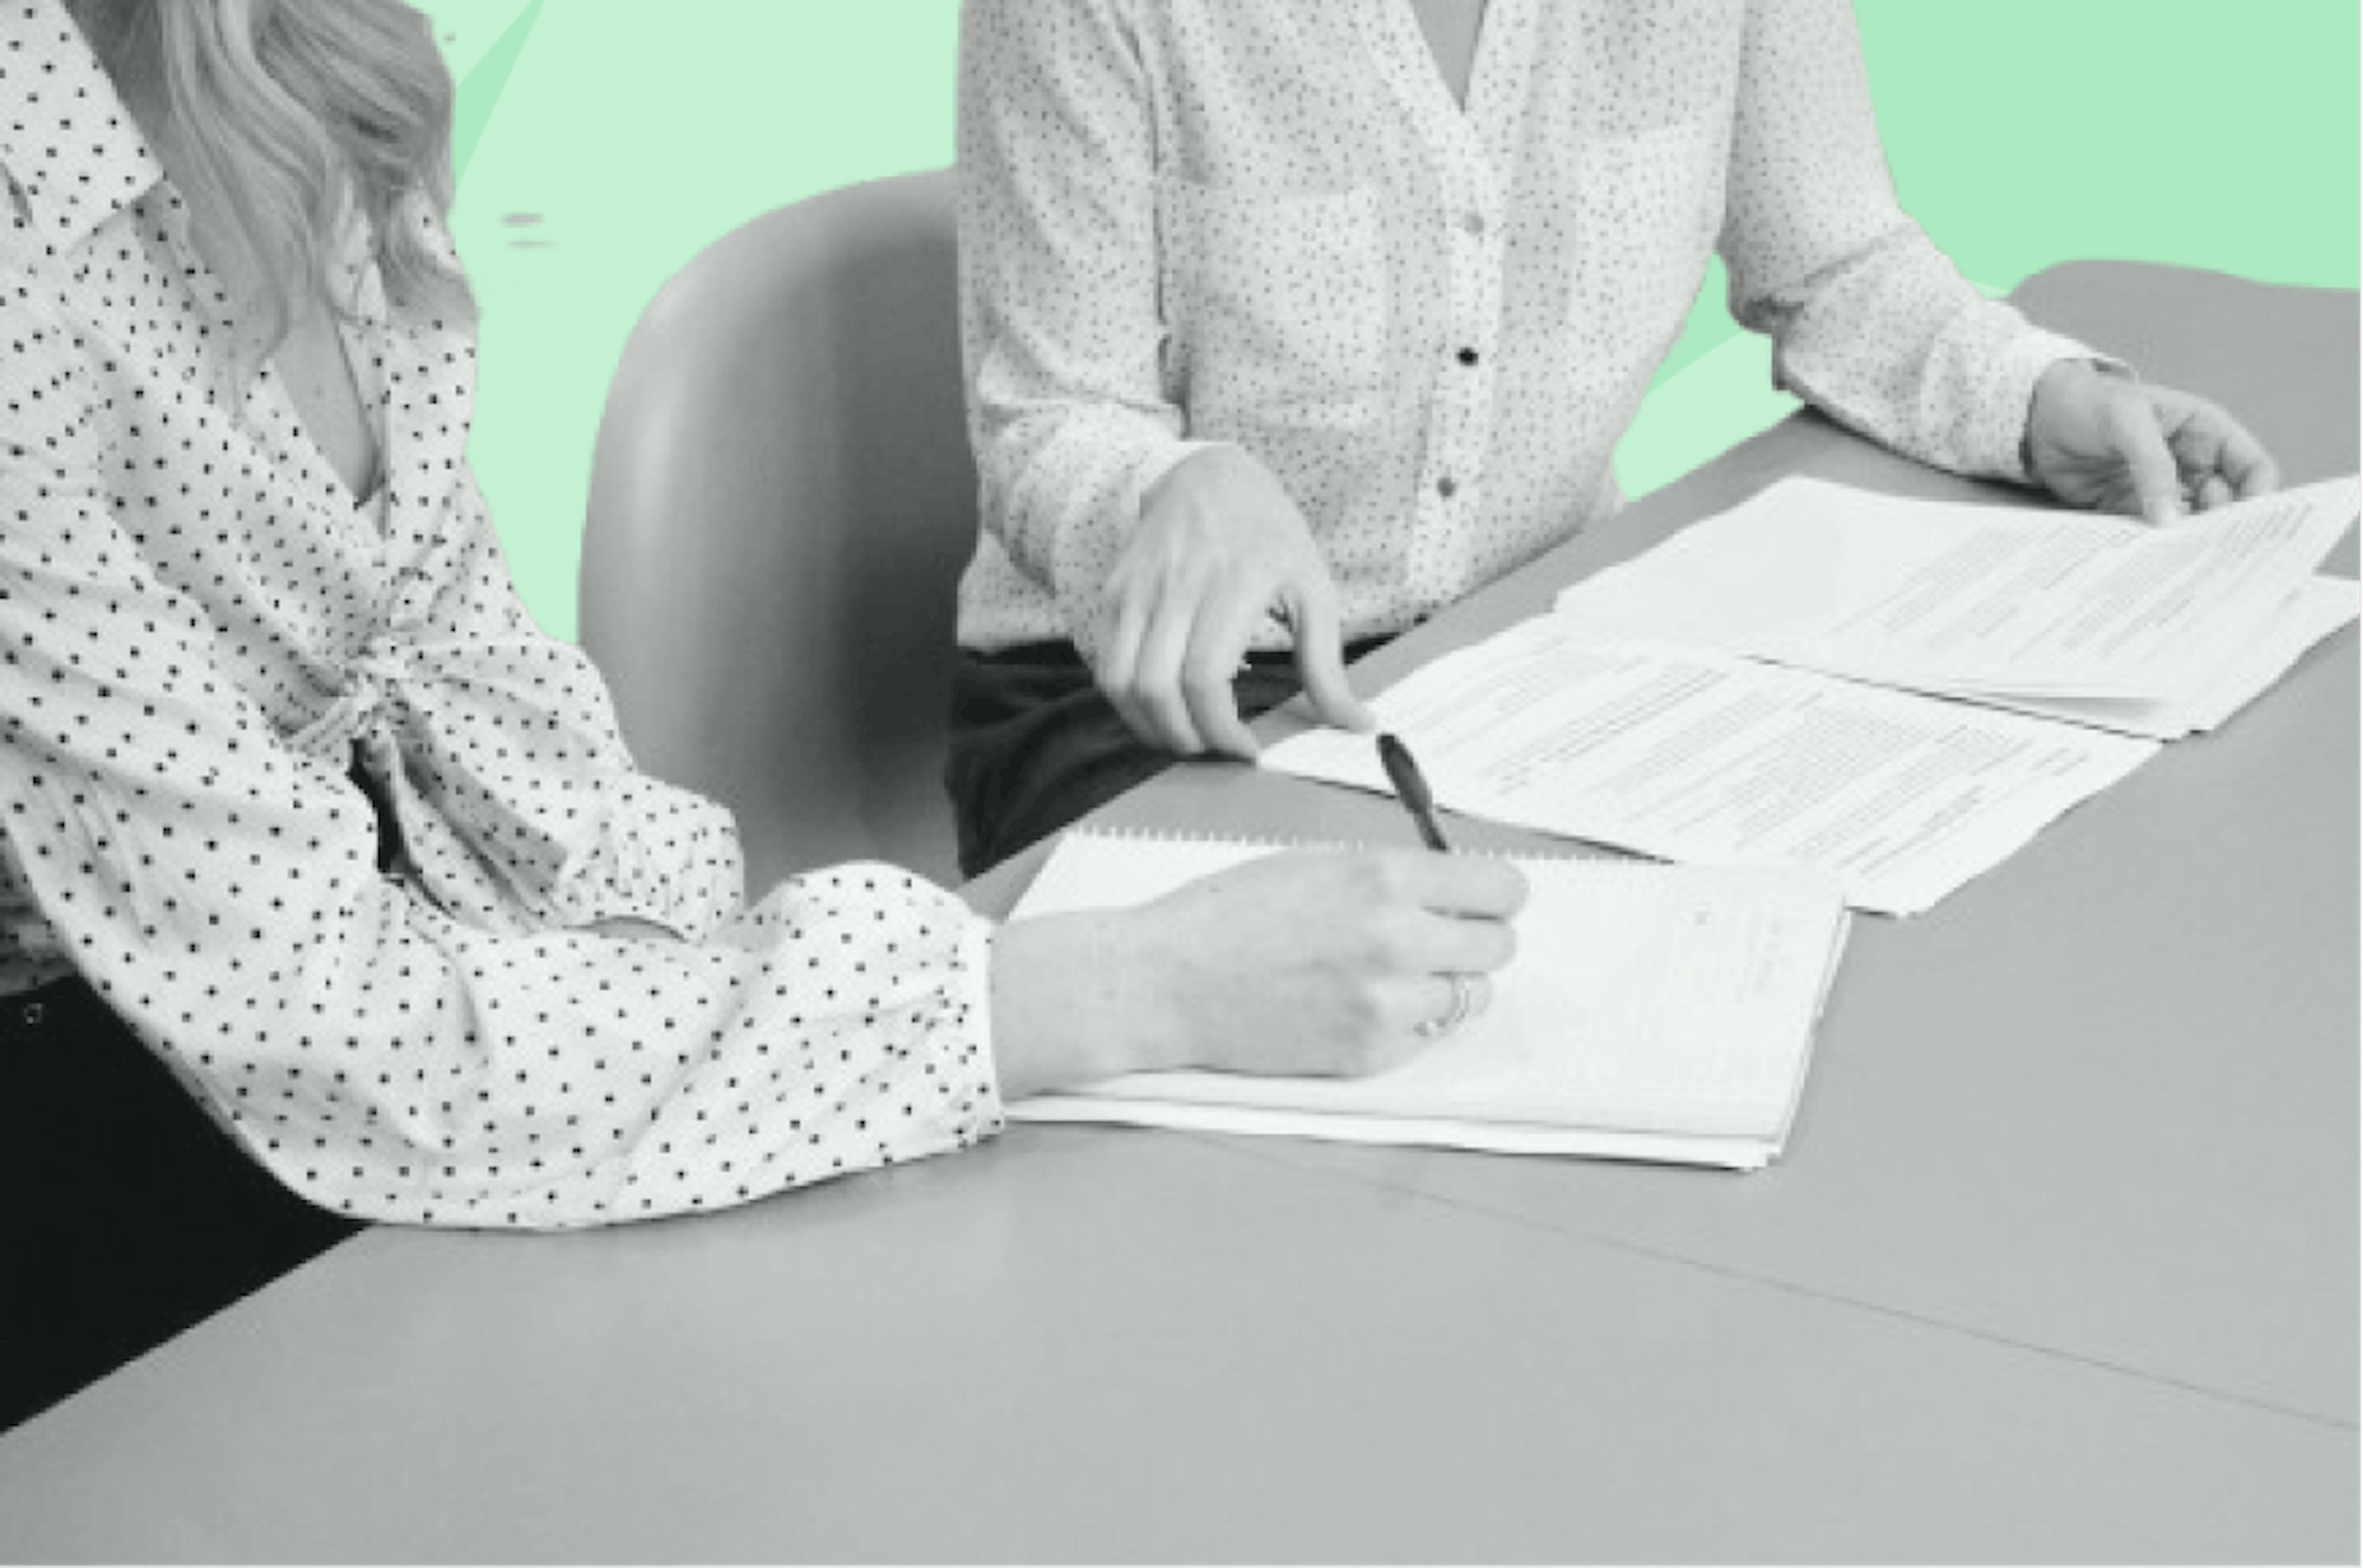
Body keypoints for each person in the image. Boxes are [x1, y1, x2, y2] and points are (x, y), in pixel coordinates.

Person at [0, 0, 1525, 1429]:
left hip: (381, 993)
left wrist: (749, 1013)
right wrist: (1109, 991)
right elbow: (321, 1019)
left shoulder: (301, 70)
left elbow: (490, 722)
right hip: (106, 1107)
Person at [946, 0, 2284, 875]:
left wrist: (2036, 396)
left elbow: (1831, 259)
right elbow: (1051, 416)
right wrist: (1168, 486)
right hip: (1150, 701)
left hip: (1526, 659)